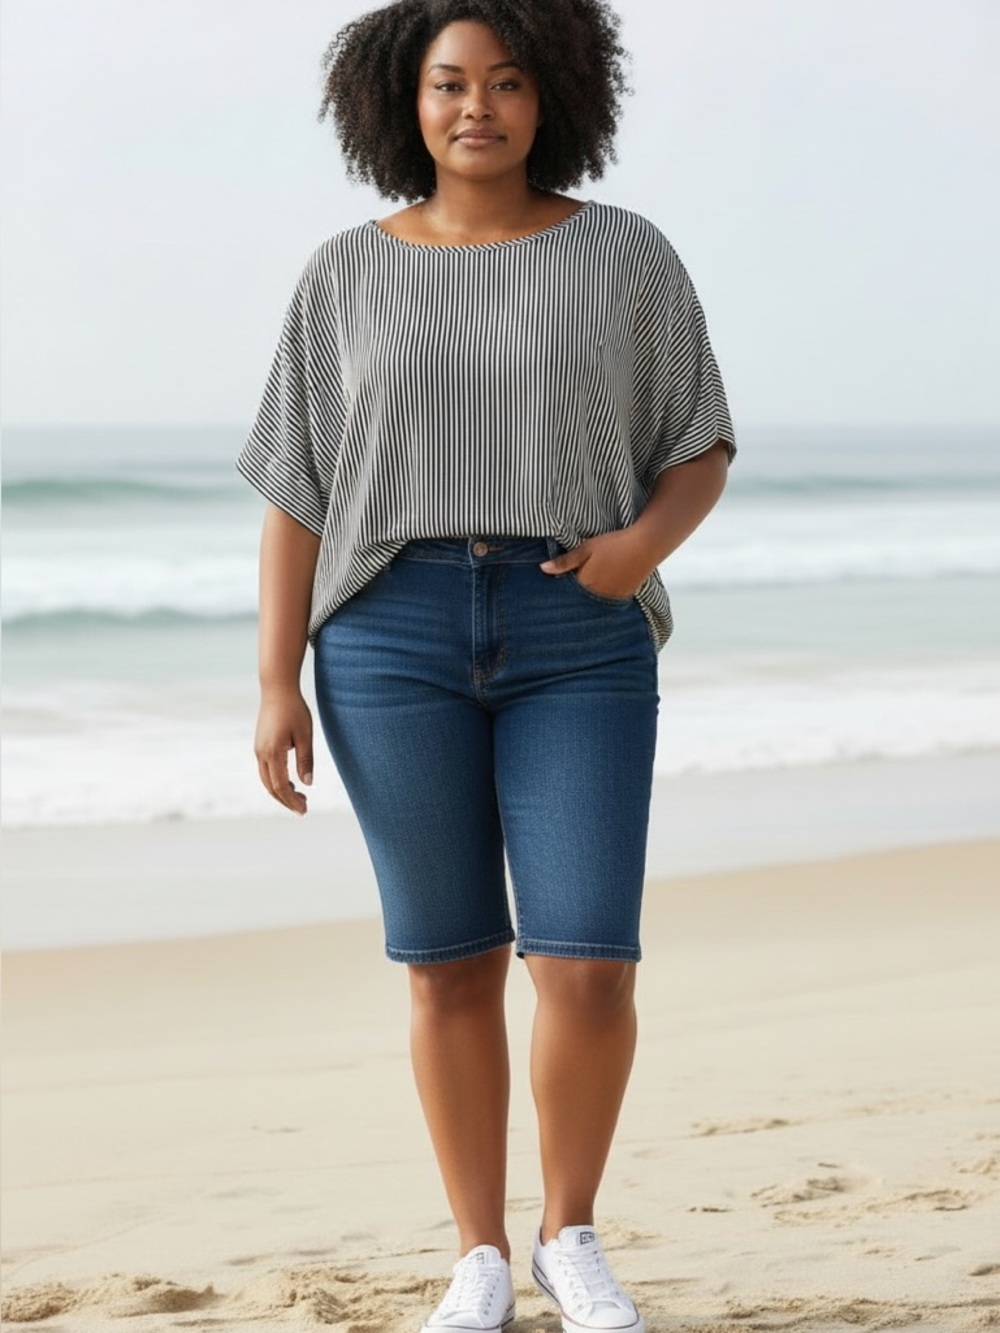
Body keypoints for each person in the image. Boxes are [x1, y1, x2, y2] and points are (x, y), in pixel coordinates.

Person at [238, 2, 735, 1329]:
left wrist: (637, 548)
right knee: (448, 958)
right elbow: (295, 490)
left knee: (587, 960)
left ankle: (571, 1232)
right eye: (452, 83)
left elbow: (699, 440)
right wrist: (278, 677)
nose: (479, 108)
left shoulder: (625, 256)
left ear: (552, 95)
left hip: (579, 628)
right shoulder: (343, 275)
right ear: (402, 100)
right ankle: (479, 1258)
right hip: (386, 635)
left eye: (508, 83)